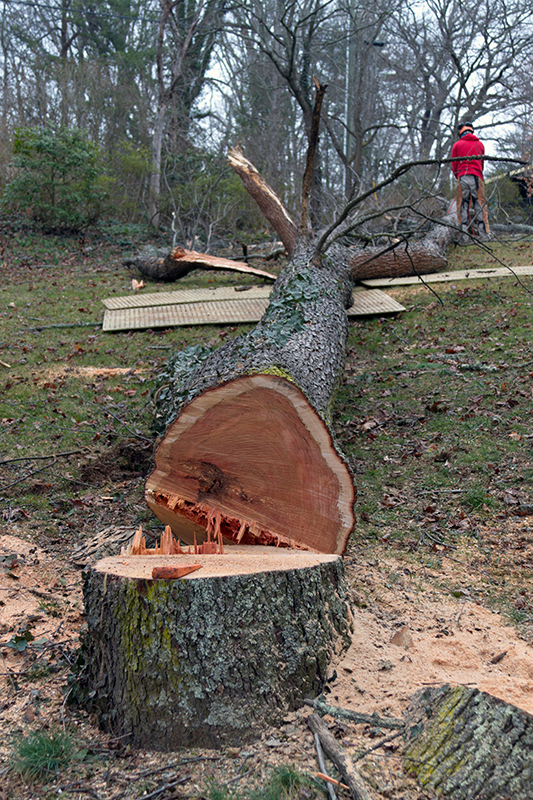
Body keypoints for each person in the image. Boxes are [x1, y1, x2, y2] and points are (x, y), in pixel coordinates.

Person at [451, 122, 490, 241]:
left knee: (462, 205)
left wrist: (458, 176)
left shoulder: (457, 145)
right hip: (477, 176)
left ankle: (464, 234)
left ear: (460, 133)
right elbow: (481, 163)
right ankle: (484, 234)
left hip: (462, 176)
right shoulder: (480, 144)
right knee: (480, 204)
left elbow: (454, 165)